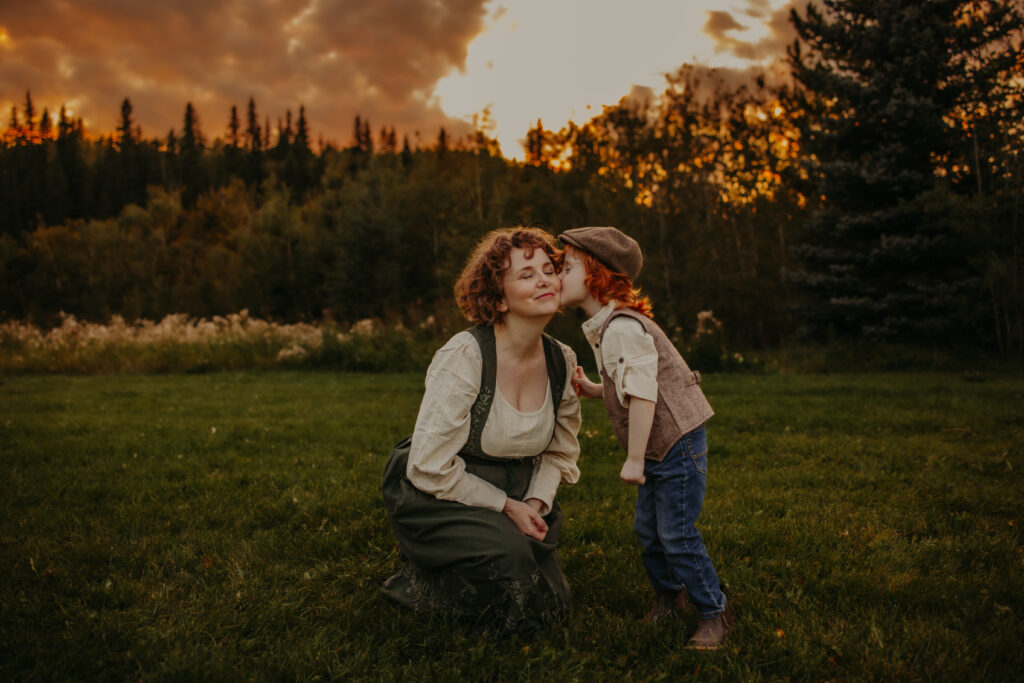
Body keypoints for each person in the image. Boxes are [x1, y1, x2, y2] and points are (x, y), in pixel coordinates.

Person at [382, 227, 581, 636]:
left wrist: (537, 504)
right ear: (499, 296)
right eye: (526, 274)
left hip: (518, 490)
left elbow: (559, 452)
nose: (544, 278)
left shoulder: (562, 359)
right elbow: (429, 465)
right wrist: (507, 507)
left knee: (553, 602)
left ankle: (492, 551)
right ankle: (420, 580)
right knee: (512, 573)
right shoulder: (466, 355)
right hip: (441, 487)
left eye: (549, 269)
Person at [557, 226, 731, 650]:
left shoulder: (621, 328)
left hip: (676, 443)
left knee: (676, 533)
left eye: (565, 266)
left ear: (596, 273)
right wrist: (600, 389)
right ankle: (669, 598)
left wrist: (635, 458)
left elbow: (643, 393)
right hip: (660, 444)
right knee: (649, 531)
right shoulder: (607, 324)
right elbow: (630, 378)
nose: (556, 275)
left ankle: (713, 611)